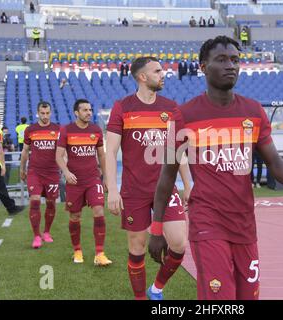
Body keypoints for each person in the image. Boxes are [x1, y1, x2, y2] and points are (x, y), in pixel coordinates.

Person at [148, 36, 283, 300]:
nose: (230, 65)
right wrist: (157, 229)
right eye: (221, 60)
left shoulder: (253, 111)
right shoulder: (184, 115)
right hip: (207, 222)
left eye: (235, 60)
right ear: (203, 67)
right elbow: (167, 174)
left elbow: (275, 162)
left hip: (244, 224)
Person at [106, 56, 190, 300]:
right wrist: (112, 189)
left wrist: (188, 184)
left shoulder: (171, 107)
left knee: (179, 243)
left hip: (166, 188)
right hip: (134, 190)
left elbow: (179, 151)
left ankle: (157, 288)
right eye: (157, 71)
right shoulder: (122, 107)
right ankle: (141, 298)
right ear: (142, 77)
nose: (163, 74)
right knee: (137, 247)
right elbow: (110, 151)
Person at [55, 99, 112, 266]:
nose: (89, 112)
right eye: (85, 110)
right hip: (74, 181)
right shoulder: (66, 130)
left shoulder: (96, 130)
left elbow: (101, 155)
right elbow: (58, 156)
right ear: (76, 113)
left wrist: (106, 177)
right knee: (75, 216)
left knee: (99, 211)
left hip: (93, 179)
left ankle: (100, 254)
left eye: (90, 109)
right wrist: (66, 172)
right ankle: (77, 250)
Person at [20, 102, 60, 249]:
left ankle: (46, 232)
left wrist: (65, 168)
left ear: (51, 112)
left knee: (51, 203)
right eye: (42, 113)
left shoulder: (57, 129)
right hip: (35, 172)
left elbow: (62, 152)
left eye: (47, 113)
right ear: (37, 113)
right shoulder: (30, 130)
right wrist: (22, 169)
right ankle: (36, 236)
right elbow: (25, 151)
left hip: (52, 172)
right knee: (35, 201)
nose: (45, 116)